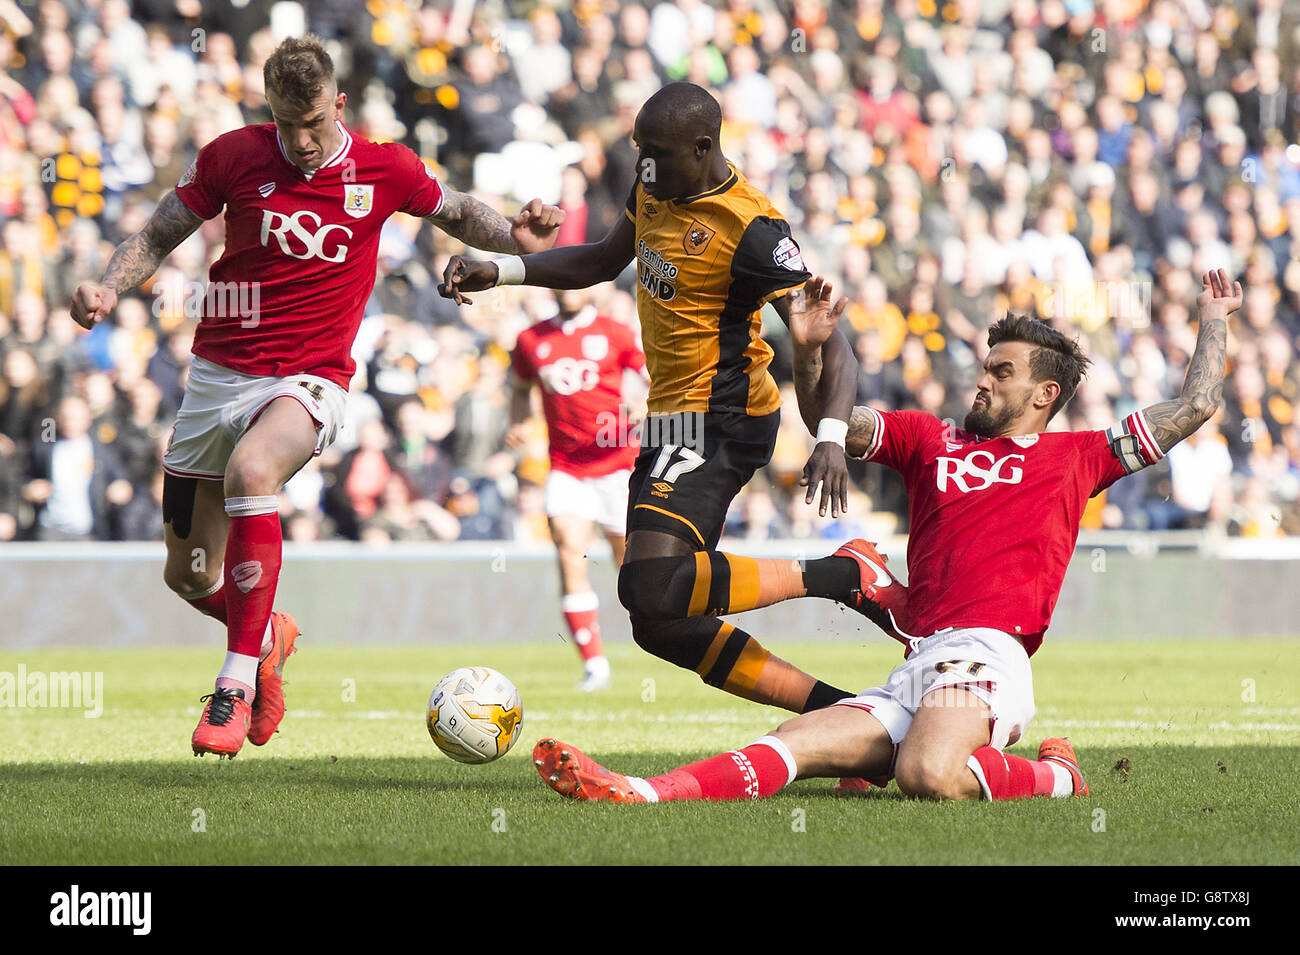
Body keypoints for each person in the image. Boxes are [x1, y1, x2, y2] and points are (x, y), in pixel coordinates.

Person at [531, 269, 1241, 804]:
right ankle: (640, 791)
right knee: (793, 743)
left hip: (985, 654)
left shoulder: (1078, 456)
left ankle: (1058, 776)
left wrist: (1214, 319)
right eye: (986, 367)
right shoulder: (929, 437)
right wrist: (809, 357)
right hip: (918, 657)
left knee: (927, 773)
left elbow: (1197, 403)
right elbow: (829, 419)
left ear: (1044, 395)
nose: (983, 382)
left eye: (1002, 372)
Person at [69, 35, 564, 759]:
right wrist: (108, 286)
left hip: (312, 378)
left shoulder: (385, 166)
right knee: (188, 573)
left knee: (253, 472)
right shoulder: (233, 155)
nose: (300, 142)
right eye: (285, 125)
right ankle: (268, 636)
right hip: (218, 372)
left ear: (338, 105)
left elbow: (457, 210)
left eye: (313, 124)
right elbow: (159, 233)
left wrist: (515, 239)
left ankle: (233, 685)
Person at [441, 82, 903, 715]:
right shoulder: (656, 186)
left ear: (703, 146)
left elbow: (835, 341)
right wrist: (503, 270)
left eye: (655, 152)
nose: (642, 166)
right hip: (669, 420)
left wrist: (828, 439)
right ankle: (846, 718)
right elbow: (602, 261)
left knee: (649, 582)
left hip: (723, 416)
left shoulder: (755, 231)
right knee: (658, 619)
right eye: (638, 151)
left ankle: (842, 575)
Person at [508, 288, 649, 691]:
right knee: (570, 552)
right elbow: (519, 391)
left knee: (632, 568)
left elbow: (653, 382)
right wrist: (518, 422)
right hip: (567, 469)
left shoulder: (616, 332)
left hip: (618, 464)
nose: (569, 288)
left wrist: (643, 406)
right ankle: (595, 666)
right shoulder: (531, 340)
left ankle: (664, 638)